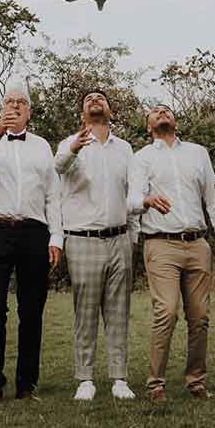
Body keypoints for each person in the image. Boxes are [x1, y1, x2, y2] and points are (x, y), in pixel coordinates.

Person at [127, 105, 215, 401]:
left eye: (167, 110)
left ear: (175, 121)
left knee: (200, 316)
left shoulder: (198, 153)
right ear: (149, 127)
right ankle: (155, 383)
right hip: (161, 244)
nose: (162, 112)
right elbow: (130, 199)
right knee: (167, 311)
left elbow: (213, 199)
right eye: (155, 111)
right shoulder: (142, 158)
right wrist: (146, 200)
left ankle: (196, 380)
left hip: (198, 244)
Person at [0, 80, 62, 401]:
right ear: (2, 108)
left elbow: (53, 194)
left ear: (29, 111)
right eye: (10, 101)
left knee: (31, 309)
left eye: (21, 102)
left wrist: (56, 238)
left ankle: (27, 384)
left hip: (34, 232)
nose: (16, 106)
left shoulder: (42, 146)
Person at [55, 90, 137, 401]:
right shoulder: (70, 142)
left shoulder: (125, 149)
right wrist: (75, 148)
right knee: (85, 312)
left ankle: (119, 378)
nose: (94, 100)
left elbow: (133, 192)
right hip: (82, 237)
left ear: (110, 110)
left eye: (100, 97)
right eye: (88, 98)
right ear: (82, 114)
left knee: (119, 312)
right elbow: (58, 166)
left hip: (120, 238)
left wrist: (133, 237)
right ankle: (85, 379)